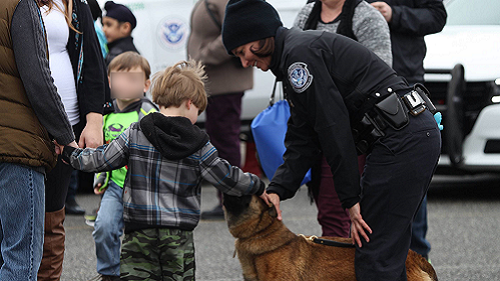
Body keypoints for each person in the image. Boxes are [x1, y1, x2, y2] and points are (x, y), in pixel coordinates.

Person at [222, 0, 441, 280]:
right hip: (405, 136)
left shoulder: (298, 59)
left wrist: (350, 200)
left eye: (243, 51)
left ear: (261, 36)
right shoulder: (296, 54)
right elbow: (303, 136)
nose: (245, 62)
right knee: (381, 249)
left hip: (403, 139)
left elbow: (333, 130)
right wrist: (278, 189)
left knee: (375, 252)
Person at [59, 60, 270, 280]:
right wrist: (257, 185)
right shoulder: (198, 143)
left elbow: (100, 159)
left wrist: (69, 153)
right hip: (178, 236)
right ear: (190, 103)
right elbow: (227, 177)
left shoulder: (136, 132)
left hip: (139, 231)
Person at [293, 0, 392, 238]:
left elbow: (381, 73)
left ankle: (344, 267)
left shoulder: (366, 16)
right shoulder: (307, 14)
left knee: (339, 211)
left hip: (351, 131)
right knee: (327, 210)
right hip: (314, 129)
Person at [0, 0, 77, 279]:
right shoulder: (19, 5)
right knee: (20, 260)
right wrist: (64, 136)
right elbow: (38, 78)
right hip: (16, 148)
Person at [367, 0, 447, 261]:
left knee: (412, 173)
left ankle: (417, 259)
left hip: (405, 82)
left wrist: (394, 14)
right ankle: (372, 259)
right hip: (359, 86)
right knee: (366, 175)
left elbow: (436, 16)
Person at [37, 0, 111, 279]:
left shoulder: (74, 4)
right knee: (14, 219)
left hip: (67, 126)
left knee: (52, 217)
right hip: (22, 126)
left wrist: (94, 120)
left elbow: (93, 61)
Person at [90, 52, 157, 281]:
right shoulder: (104, 114)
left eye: (132, 79)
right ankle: (109, 273)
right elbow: (102, 153)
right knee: (104, 227)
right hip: (115, 186)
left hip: (143, 190)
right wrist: (100, 177)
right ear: (109, 80)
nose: (124, 84)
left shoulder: (150, 114)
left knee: (144, 237)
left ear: (146, 84)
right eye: (119, 78)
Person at [187, 0, 254, 220]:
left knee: (225, 142)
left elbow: (234, 32)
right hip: (216, 84)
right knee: (221, 140)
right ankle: (228, 199)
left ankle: (232, 201)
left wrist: (203, 56)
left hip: (225, 84)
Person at [102, 1, 139, 66]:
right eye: (103, 25)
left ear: (125, 27)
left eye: (109, 24)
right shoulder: (117, 52)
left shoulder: (121, 57)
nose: (104, 29)